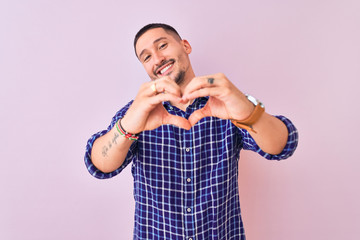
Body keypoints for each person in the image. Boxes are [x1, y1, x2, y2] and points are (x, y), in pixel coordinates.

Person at [84, 23, 298, 240]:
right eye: (146, 57)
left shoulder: (229, 104)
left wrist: (248, 113)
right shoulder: (137, 114)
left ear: (185, 45)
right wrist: (127, 127)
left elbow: (283, 146)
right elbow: (99, 166)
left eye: (162, 45)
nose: (157, 59)